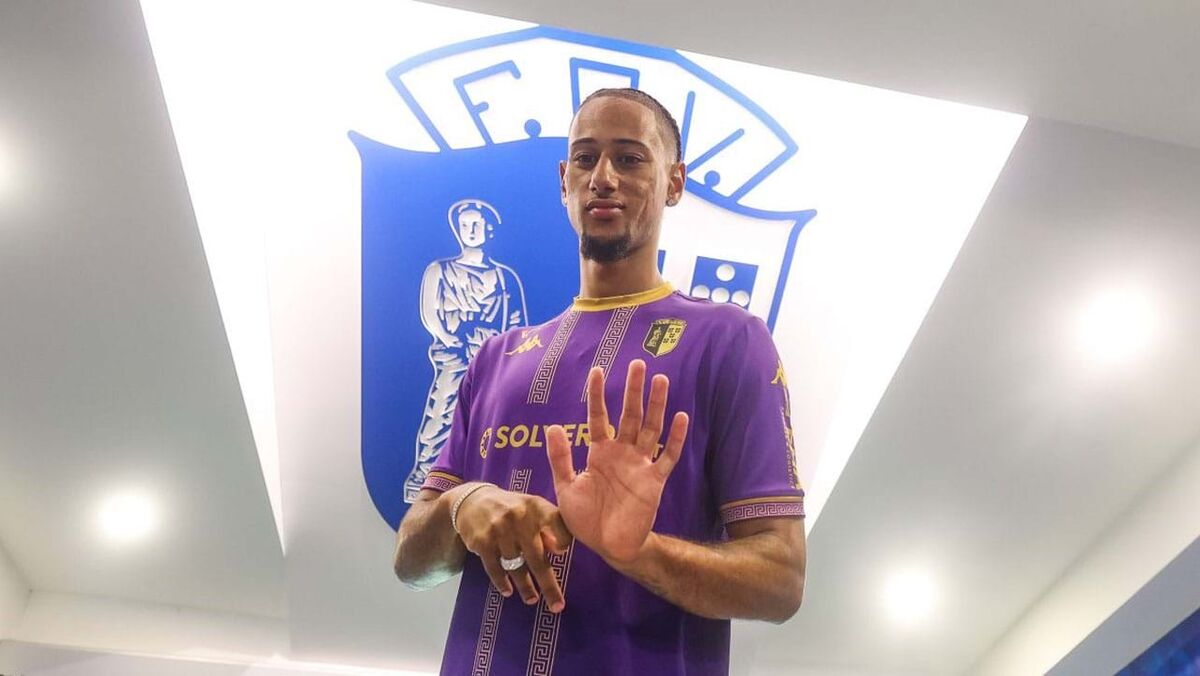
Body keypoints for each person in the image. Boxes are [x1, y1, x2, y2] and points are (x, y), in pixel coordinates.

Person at [394, 88, 806, 676]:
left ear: (674, 182)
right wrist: (465, 503)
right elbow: (411, 561)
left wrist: (640, 551)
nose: (603, 178)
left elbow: (781, 579)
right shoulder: (495, 358)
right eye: (586, 159)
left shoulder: (730, 340)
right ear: (564, 180)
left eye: (630, 158)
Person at [404, 199, 527, 502]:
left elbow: (517, 323)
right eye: (464, 225)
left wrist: (504, 354)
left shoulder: (504, 277)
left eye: (476, 224)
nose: (470, 230)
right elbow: (430, 313)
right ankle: (426, 479)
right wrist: (450, 340)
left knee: (497, 421)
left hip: (495, 361)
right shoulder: (440, 270)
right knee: (442, 413)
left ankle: (489, 483)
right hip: (455, 356)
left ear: (488, 229)